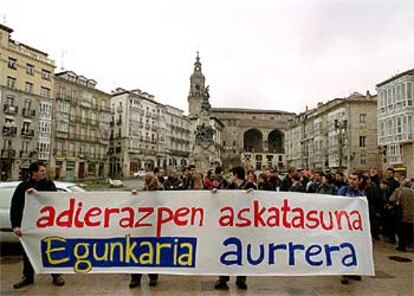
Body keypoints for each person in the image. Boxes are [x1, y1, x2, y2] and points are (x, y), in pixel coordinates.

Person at [10, 161, 65, 289]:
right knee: (28, 252)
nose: (44, 173)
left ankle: (56, 275)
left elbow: (54, 200)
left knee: (50, 250)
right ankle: (28, 277)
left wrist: (37, 194)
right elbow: (16, 207)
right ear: (34, 173)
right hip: (29, 226)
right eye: (41, 171)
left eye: (44, 171)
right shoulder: (22, 187)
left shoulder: (49, 185)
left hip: (46, 225)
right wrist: (16, 225)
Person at [214, 166, 249, 290]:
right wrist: (216, 193)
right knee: (226, 250)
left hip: (244, 225)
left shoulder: (250, 186)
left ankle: (241, 279)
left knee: (242, 252)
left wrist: (252, 194)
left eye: (231, 174)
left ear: (236, 175)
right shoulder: (230, 187)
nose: (230, 177)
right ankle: (223, 278)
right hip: (230, 224)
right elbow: (223, 199)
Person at [130, 173, 160, 288]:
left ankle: (137, 278)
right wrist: (133, 196)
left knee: (139, 252)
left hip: (149, 228)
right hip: (145, 228)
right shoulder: (141, 194)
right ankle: (151, 277)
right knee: (150, 252)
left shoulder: (159, 194)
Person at [338, 172, 364, 285]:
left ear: (359, 181)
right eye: (350, 179)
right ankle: (344, 272)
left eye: (354, 179)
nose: (352, 181)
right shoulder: (344, 190)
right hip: (344, 225)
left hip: (354, 226)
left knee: (354, 248)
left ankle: (352, 270)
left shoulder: (360, 193)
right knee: (345, 248)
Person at [390, 179, 414, 252]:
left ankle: (401, 246)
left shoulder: (398, 190)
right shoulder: (413, 192)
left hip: (401, 214)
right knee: (409, 231)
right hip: (412, 216)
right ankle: (410, 245)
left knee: (401, 232)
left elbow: (391, 199)